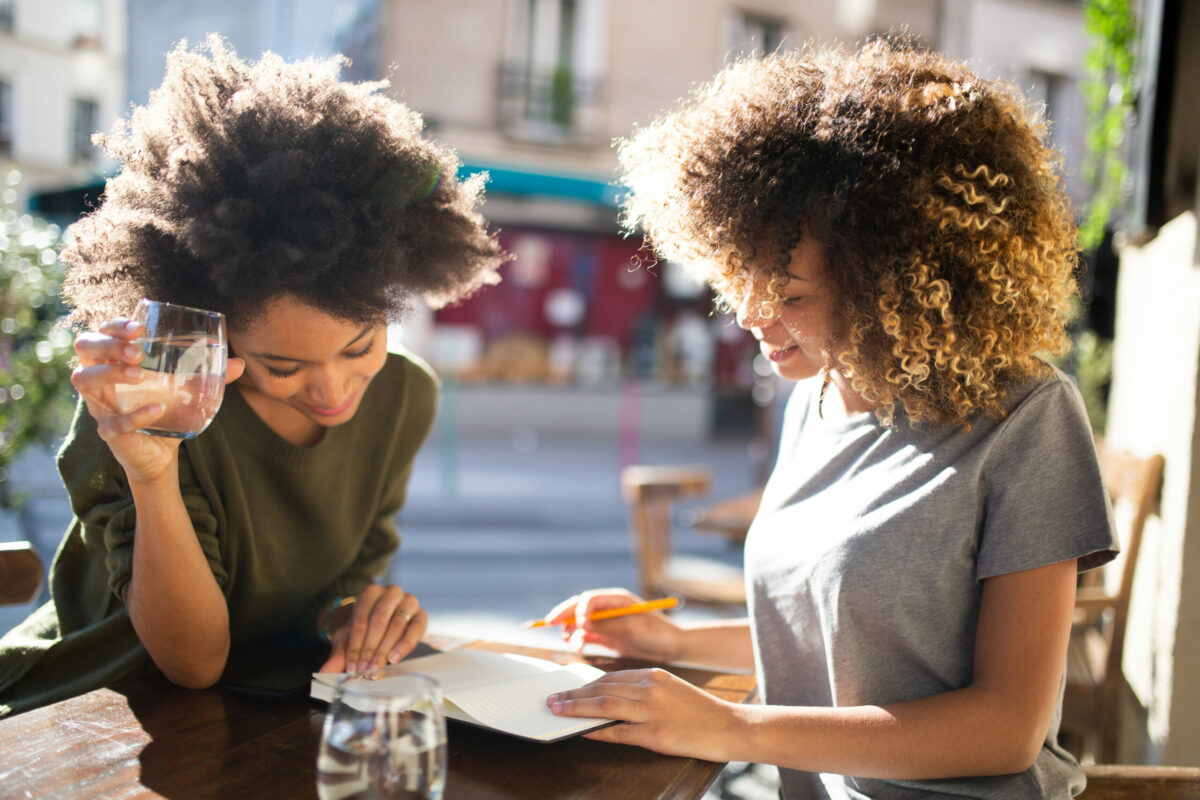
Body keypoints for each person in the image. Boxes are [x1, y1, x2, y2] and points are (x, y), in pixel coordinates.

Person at [540, 39, 1118, 799]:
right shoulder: (812, 402)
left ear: (898, 281)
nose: (748, 315)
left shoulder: (1026, 419)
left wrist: (732, 728)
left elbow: (1006, 727)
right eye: (737, 280)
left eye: (789, 295)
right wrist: (669, 642)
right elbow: (847, 648)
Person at [0, 36, 505, 717]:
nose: (332, 391)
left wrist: (357, 614)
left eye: (360, 347)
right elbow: (192, 664)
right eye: (284, 367)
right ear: (213, 330)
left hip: (268, 712)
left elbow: (342, 580)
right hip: (83, 717)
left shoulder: (406, 396)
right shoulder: (145, 408)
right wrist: (153, 473)